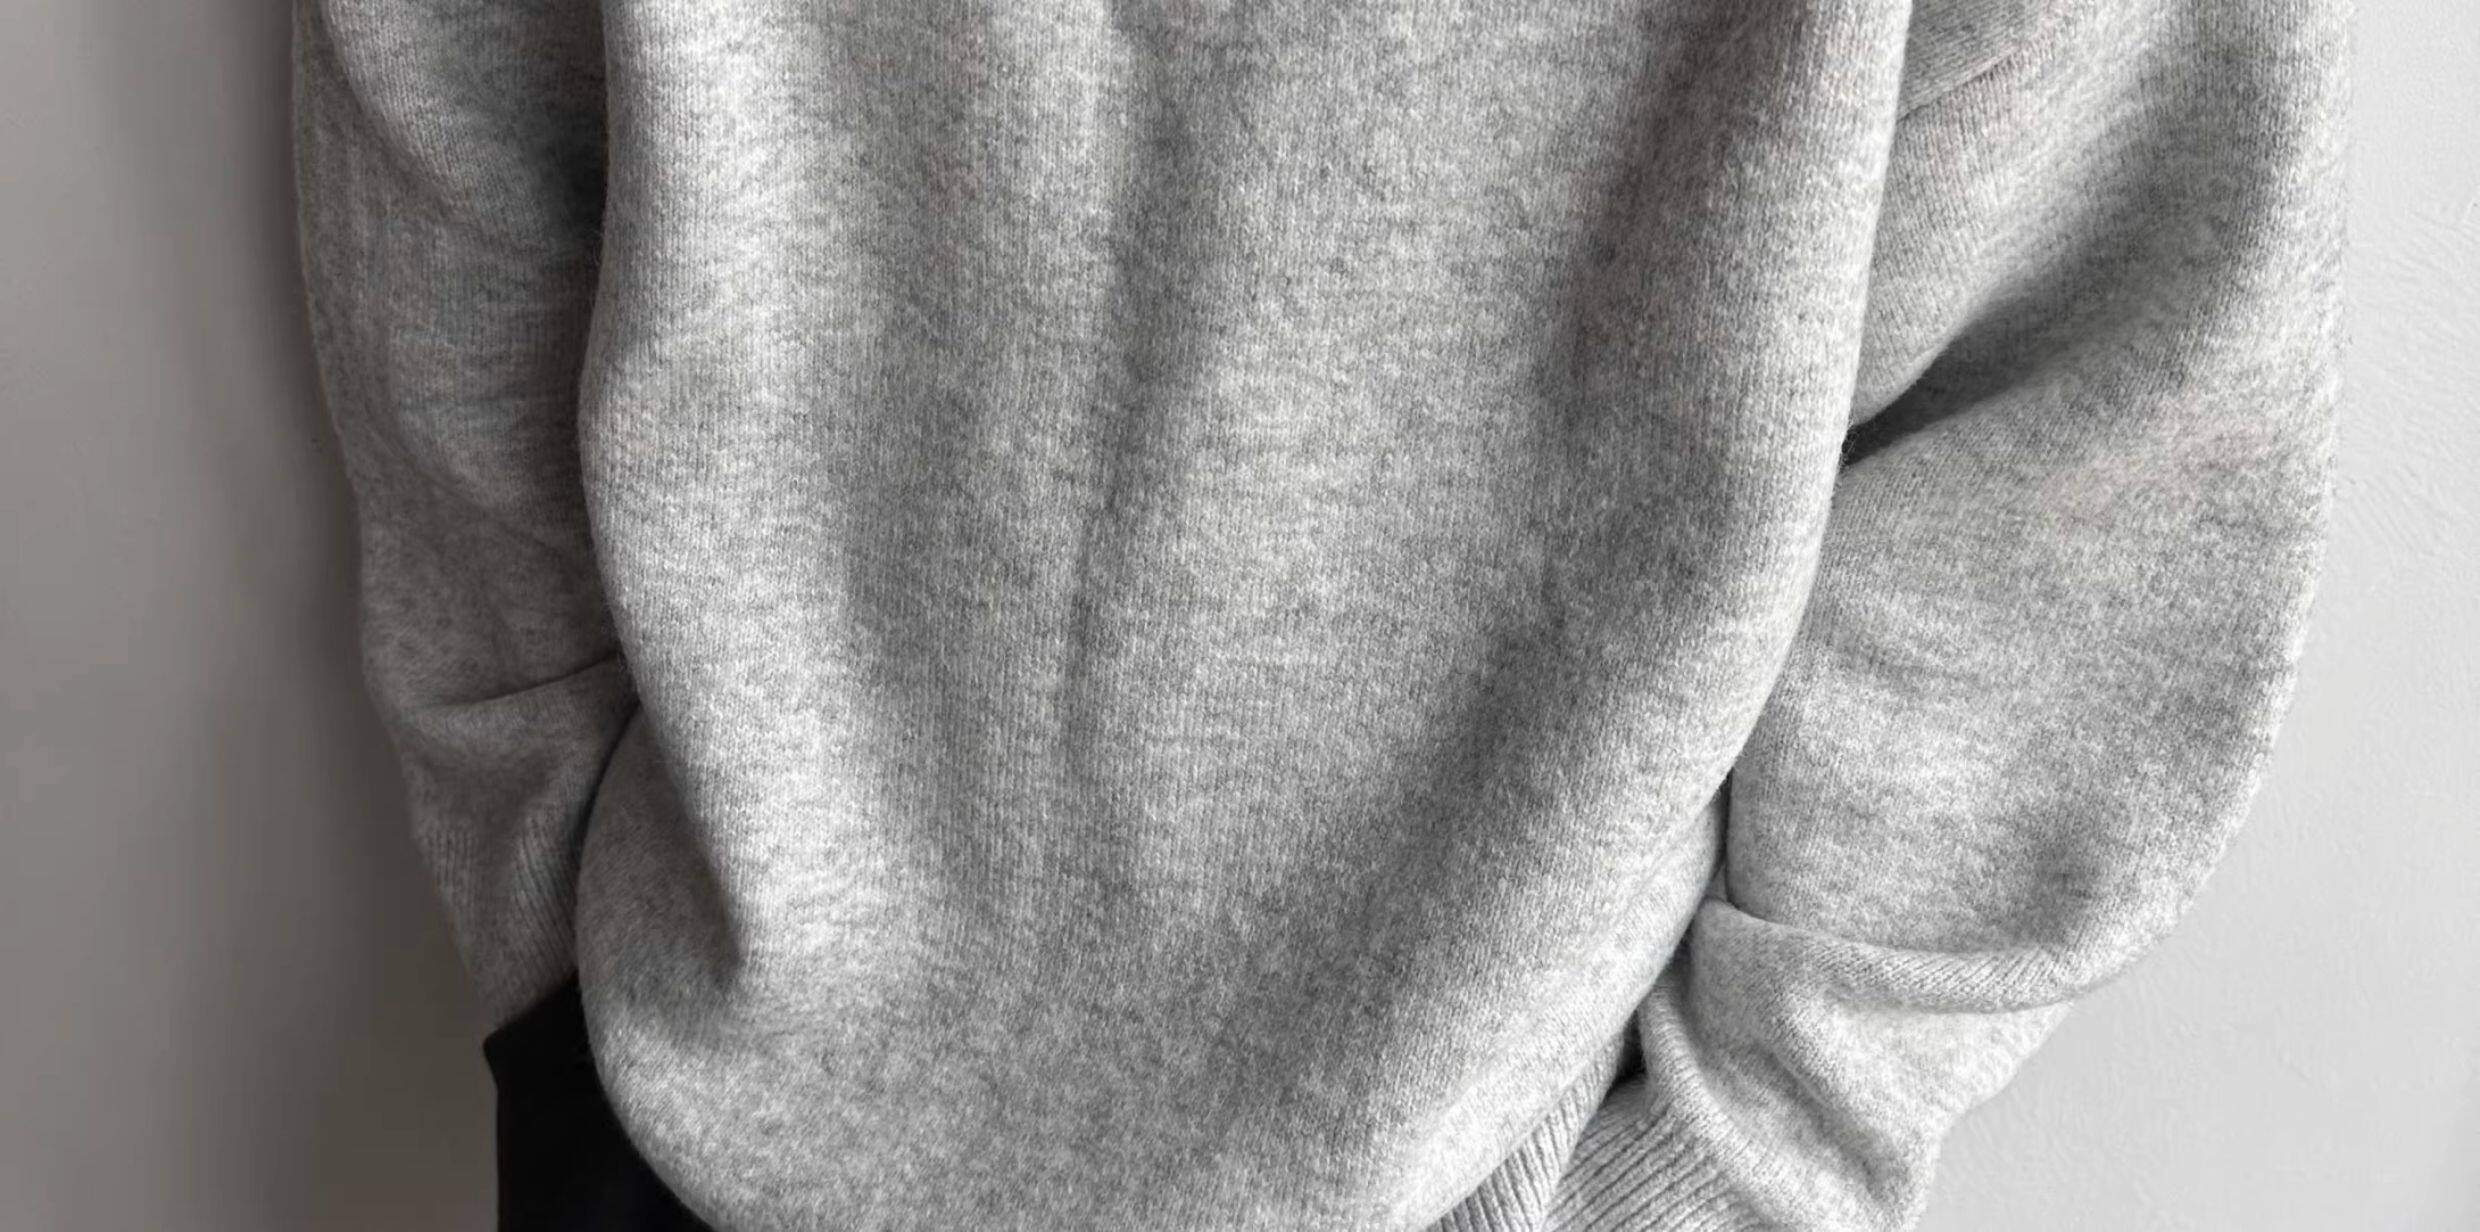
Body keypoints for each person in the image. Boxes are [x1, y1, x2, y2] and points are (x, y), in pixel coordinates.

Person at [289, 0, 2347, 1227]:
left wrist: (1738, 1163)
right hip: (685, 1112)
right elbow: (452, 128)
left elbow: (2097, 406)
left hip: (1518, 1159)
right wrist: (555, 950)